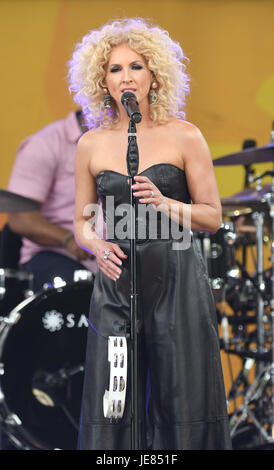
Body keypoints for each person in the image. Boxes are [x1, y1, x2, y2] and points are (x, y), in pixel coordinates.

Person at [69, 18, 232, 450]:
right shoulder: (91, 143)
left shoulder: (185, 135)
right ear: (102, 81)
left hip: (176, 274)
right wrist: (96, 244)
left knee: (181, 393)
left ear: (154, 74)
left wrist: (166, 204)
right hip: (117, 279)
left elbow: (212, 217)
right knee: (114, 396)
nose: (127, 77)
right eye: (116, 69)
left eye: (136, 67)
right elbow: (81, 221)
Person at [7, 110, 98, 292]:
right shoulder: (45, 144)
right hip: (59, 256)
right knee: (77, 296)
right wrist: (69, 240)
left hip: (117, 258)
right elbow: (20, 217)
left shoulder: (132, 142)